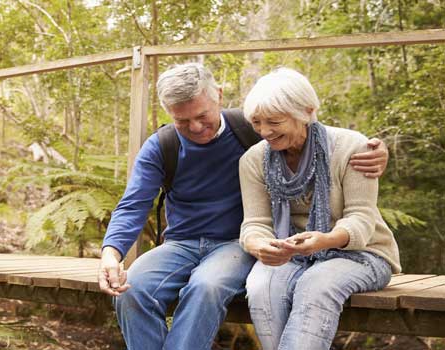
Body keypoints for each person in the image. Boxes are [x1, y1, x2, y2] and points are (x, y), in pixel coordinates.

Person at [97, 62, 390, 350]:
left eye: (202, 115)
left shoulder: (252, 129)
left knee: (206, 287)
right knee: (130, 289)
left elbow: (315, 135)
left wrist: (377, 151)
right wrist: (111, 255)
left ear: (219, 96)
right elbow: (133, 204)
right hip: (181, 243)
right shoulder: (163, 145)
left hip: (234, 245)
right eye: (182, 121)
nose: (196, 127)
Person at [238, 67, 401, 350]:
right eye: (256, 122)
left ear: (307, 111)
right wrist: (259, 244)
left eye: (274, 121)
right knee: (261, 285)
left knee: (316, 284)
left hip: (360, 253)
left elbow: (361, 218)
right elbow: (255, 223)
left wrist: (326, 241)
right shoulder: (253, 160)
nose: (264, 132)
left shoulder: (353, 147)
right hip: (290, 254)